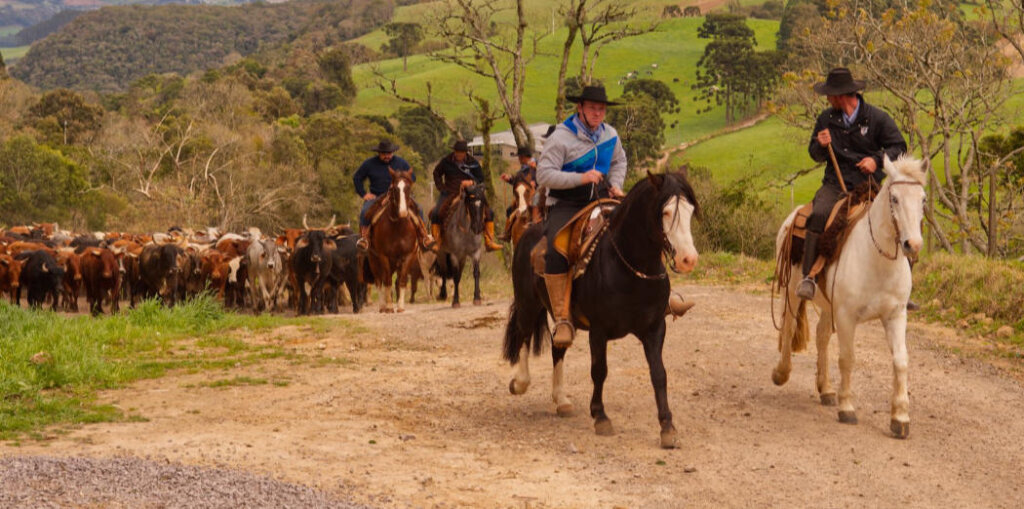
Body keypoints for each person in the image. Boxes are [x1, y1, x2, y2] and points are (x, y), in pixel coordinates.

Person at [537, 85, 693, 348]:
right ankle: (563, 319)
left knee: (644, 230)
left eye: (601, 109)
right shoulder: (561, 137)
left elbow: (620, 161)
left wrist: (617, 185)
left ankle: (662, 298)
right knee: (556, 248)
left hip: (602, 196)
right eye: (592, 108)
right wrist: (580, 178)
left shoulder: (610, 134)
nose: (597, 113)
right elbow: (543, 175)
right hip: (566, 203)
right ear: (580, 108)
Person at [798, 67, 908, 302]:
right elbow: (814, 154)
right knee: (818, 214)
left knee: (898, 219)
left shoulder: (877, 118)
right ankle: (809, 278)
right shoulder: (825, 119)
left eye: (829, 95)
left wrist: (876, 160)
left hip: (868, 185)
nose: (827, 99)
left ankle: (903, 287)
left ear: (840, 96)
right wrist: (820, 144)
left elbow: (900, 147)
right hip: (834, 185)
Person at [352, 139, 434, 250]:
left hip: (399, 195)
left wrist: (403, 180)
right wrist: (364, 194)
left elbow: (413, 177)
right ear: (379, 153)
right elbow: (357, 178)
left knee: (419, 208)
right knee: (365, 211)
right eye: (384, 153)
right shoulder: (369, 164)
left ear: (393, 152)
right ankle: (364, 239)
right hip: (377, 196)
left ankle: (424, 236)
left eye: (389, 153)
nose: (387, 156)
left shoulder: (401, 162)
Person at [429, 140, 503, 252]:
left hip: (470, 192)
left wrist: (471, 182)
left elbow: (481, 178)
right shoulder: (446, 161)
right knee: (436, 213)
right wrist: (442, 188)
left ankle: (489, 241)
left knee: (489, 212)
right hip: (450, 191)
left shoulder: (473, 163)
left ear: (465, 153)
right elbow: (436, 173)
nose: (459, 154)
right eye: (457, 152)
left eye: (461, 152)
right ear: (454, 151)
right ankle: (437, 241)